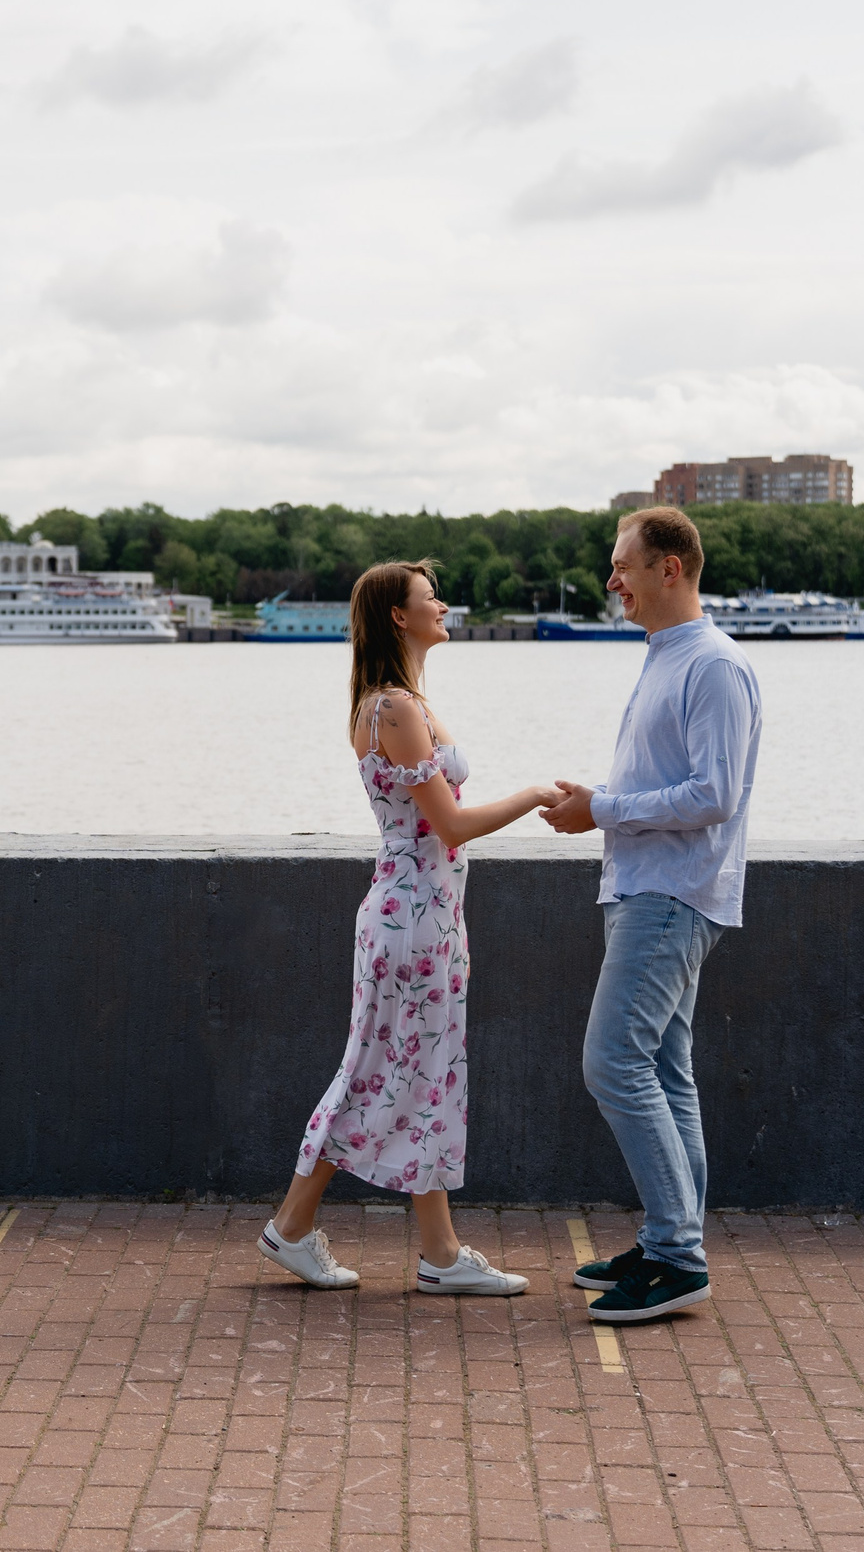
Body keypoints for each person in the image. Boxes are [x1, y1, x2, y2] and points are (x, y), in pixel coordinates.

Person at [259, 559, 560, 1296]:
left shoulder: (406, 701)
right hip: (412, 918)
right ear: (399, 615)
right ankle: (293, 1228)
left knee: (425, 1072)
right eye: (432, 597)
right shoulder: (393, 708)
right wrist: (534, 794)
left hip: (425, 912)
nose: (445, 602)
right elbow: (449, 821)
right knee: (376, 1071)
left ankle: (439, 1251)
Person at [540, 507, 760, 1322]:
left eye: (622, 564)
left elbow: (715, 794)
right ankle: (672, 1242)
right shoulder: (669, 657)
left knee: (613, 1063)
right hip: (646, 888)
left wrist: (603, 808)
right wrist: (601, 810)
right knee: (665, 1071)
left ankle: (678, 1255)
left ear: (670, 566)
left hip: (671, 895)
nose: (611, 580)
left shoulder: (714, 666)